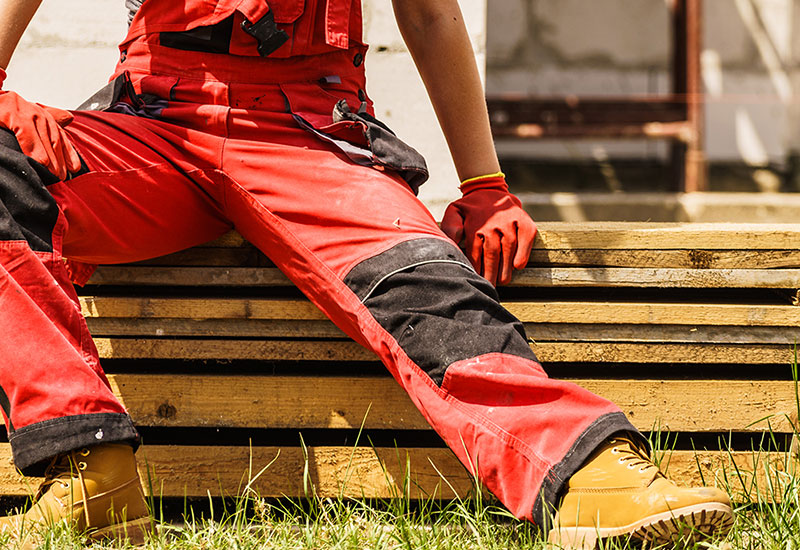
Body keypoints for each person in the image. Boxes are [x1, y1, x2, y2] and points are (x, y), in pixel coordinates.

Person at [0, 0, 732, 547]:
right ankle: (90, 471)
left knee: (419, 286)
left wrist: (484, 183)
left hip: (311, 131)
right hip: (153, 125)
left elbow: (429, 11)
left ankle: (585, 468)